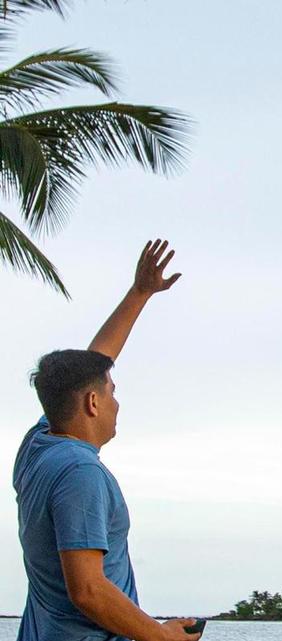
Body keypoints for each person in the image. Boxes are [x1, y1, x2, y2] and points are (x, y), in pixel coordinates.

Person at [13, 240, 201, 641]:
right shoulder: (80, 472)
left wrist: (140, 293)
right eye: (112, 391)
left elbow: (92, 363)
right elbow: (88, 591)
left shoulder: (39, 446)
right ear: (93, 402)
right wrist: (162, 636)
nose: (118, 401)